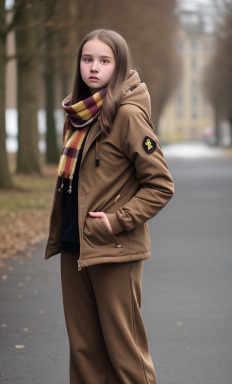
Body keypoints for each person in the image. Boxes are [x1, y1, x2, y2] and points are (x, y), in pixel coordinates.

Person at [45, 28, 174, 384]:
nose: (94, 68)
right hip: (76, 245)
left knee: (125, 352)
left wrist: (117, 221)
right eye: (88, 59)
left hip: (113, 247)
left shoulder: (129, 116)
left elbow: (161, 184)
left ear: (118, 67)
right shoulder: (77, 115)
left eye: (104, 60)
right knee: (85, 351)